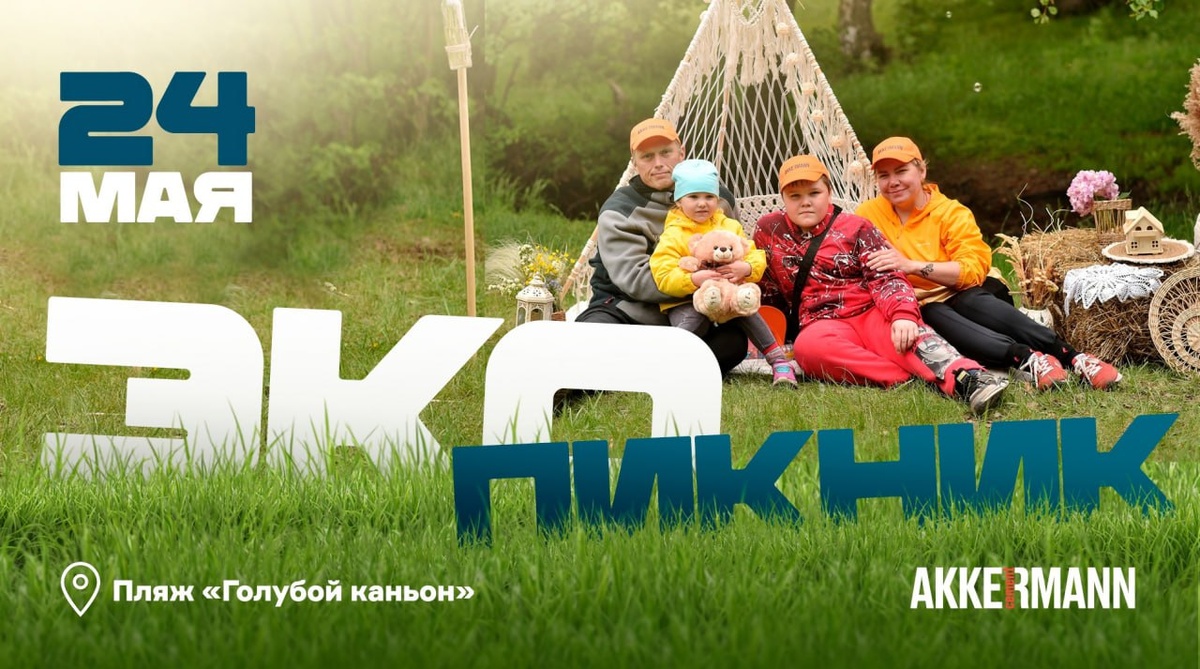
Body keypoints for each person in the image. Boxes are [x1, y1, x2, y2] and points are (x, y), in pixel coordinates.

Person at [857, 137, 1122, 390]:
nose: (893, 182)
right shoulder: (868, 215)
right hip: (921, 307)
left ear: (922, 170)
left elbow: (971, 271)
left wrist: (911, 265)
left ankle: (1075, 357)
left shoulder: (950, 213)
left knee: (971, 301)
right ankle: (1030, 359)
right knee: (935, 313)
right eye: (884, 175)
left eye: (901, 171)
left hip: (967, 291)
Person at [752, 154, 1009, 415]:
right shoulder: (769, 230)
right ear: (783, 198)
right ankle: (903, 378)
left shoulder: (856, 227)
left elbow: (886, 275)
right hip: (822, 322)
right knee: (809, 349)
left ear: (828, 193)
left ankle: (969, 379)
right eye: (795, 196)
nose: (805, 202)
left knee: (909, 337)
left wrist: (902, 315)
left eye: (814, 193)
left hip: (870, 310)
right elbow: (767, 284)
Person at [575, 118, 748, 375]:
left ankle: (635, 368)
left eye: (666, 153)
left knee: (733, 343)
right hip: (628, 308)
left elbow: (738, 250)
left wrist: (740, 272)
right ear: (635, 162)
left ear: (682, 152)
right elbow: (635, 280)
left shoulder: (717, 198)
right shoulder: (619, 210)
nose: (658, 163)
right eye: (647, 156)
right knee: (592, 335)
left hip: (697, 310)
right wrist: (698, 280)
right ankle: (658, 367)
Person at [649, 159, 799, 386]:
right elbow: (663, 273)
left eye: (709, 197)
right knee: (693, 319)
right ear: (679, 201)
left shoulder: (729, 226)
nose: (702, 204)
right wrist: (692, 279)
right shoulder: (673, 234)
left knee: (746, 306)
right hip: (686, 300)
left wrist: (747, 268)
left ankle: (779, 362)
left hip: (727, 294)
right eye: (693, 197)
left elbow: (752, 253)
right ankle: (668, 365)